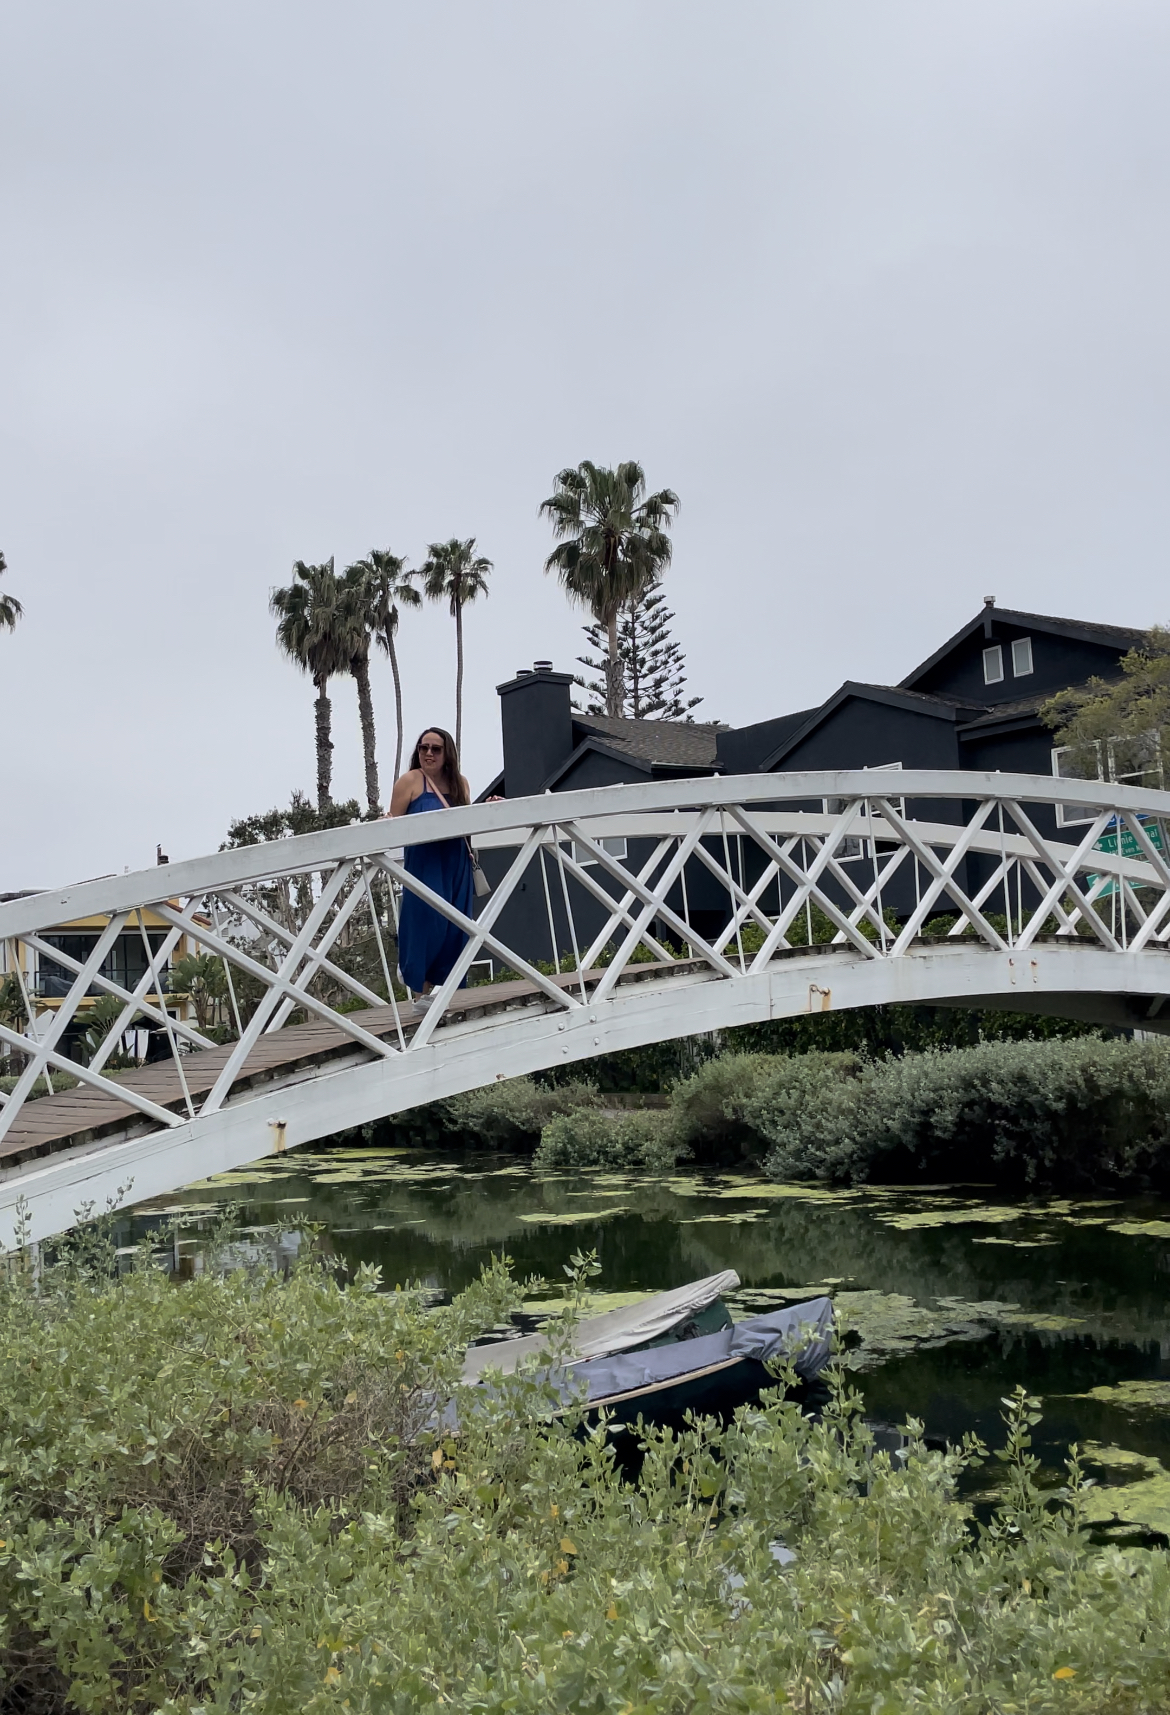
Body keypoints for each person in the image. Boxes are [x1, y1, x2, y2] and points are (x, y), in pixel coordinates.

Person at [388, 727, 476, 1005]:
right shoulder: (410, 781)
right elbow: (392, 826)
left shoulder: (460, 783)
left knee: (454, 927)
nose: (428, 753)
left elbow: (467, 821)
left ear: (446, 753)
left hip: (455, 862)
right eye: (423, 748)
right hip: (424, 864)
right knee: (424, 924)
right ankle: (419, 995)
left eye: (435, 748)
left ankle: (447, 996)